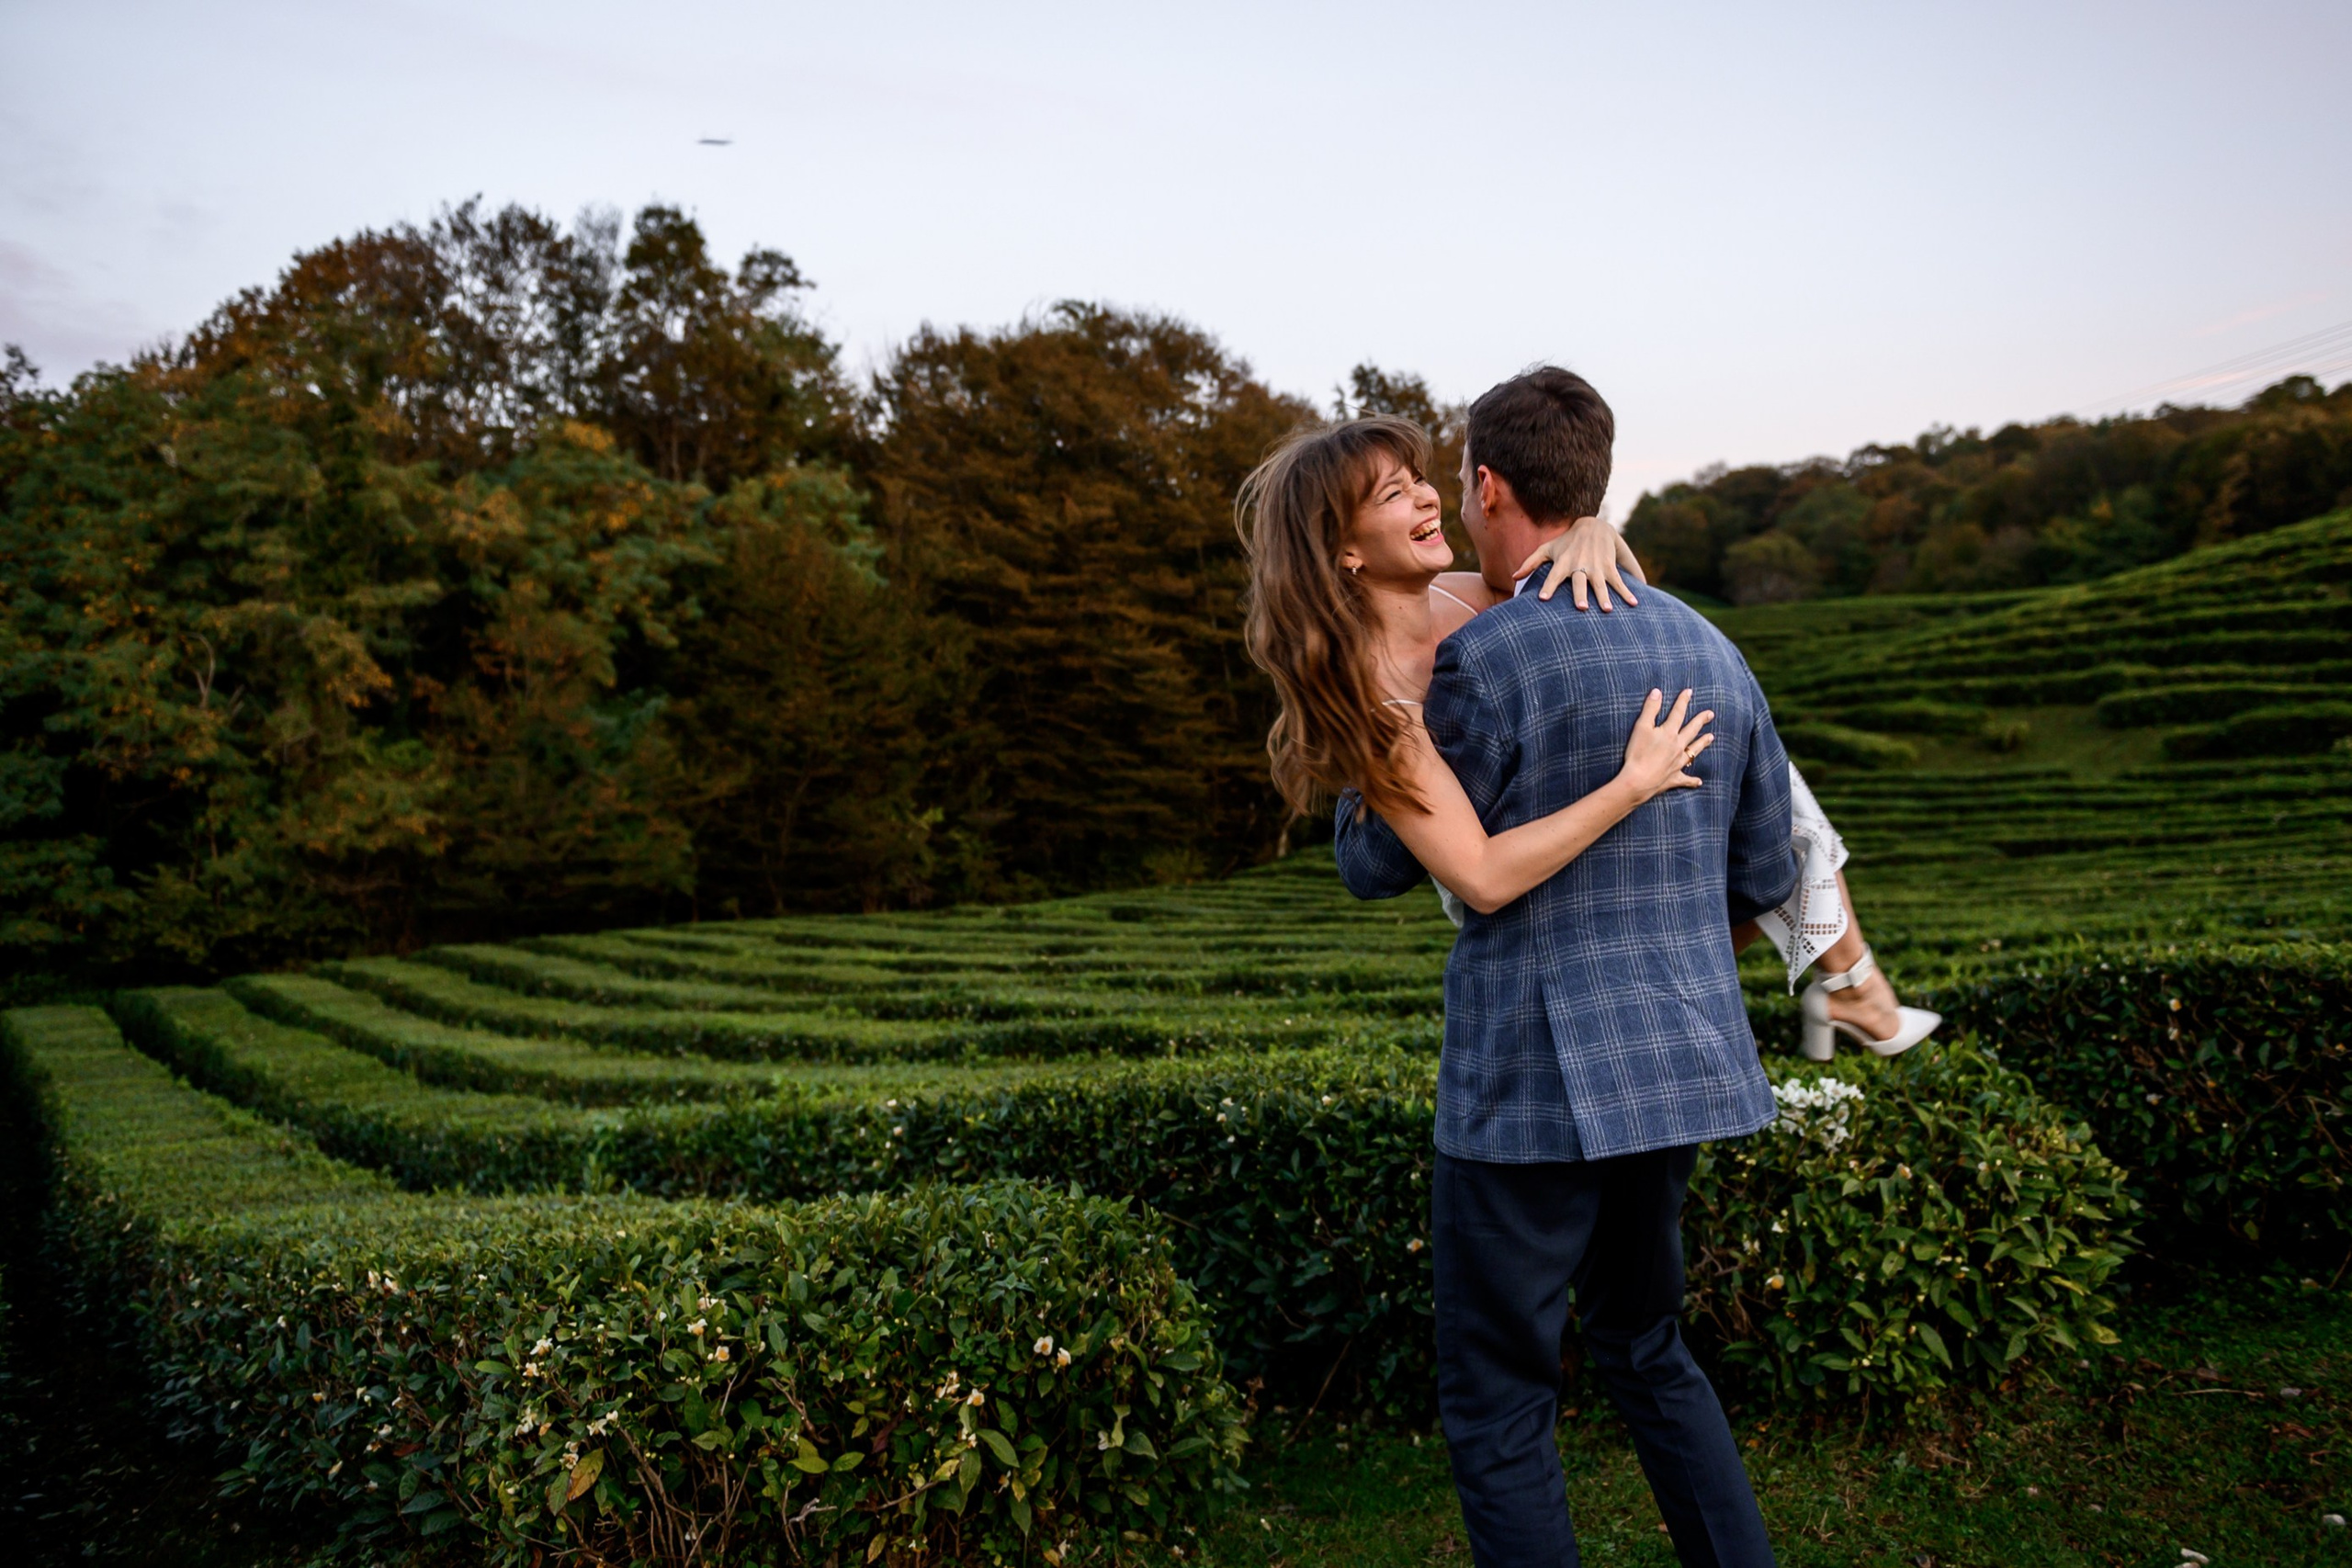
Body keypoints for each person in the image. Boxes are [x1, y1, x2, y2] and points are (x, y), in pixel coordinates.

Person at [1230, 367, 1840, 1568]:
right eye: (1390, 492)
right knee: (1645, 1346)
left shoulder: (1481, 599)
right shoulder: (1376, 691)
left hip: (1537, 1073)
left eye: (1425, 479)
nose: (1424, 499)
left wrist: (1603, 520)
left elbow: (1552, 534)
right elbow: (1474, 873)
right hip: (1609, 1010)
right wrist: (1628, 784)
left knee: (1506, 1398)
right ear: (1337, 550)